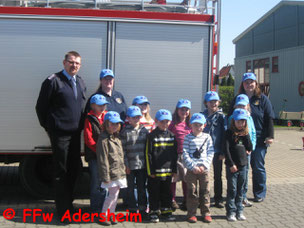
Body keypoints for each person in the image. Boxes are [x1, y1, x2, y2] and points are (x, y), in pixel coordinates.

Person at [35, 51, 86, 221]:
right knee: (61, 171)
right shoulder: (53, 81)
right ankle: (63, 211)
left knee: (74, 169)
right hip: (60, 135)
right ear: (64, 63)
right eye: (71, 62)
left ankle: (69, 204)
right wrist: (50, 128)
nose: (74, 66)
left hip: (75, 135)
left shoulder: (79, 82)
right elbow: (41, 107)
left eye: (77, 63)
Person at [228, 72, 275, 202]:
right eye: (246, 82)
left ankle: (259, 193)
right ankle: (241, 194)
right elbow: (230, 118)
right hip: (240, 141)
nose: (249, 84)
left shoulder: (263, 99)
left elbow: (269, 118)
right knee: (243, 168)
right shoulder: (237, 98)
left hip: (259, 139)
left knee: (258, 166)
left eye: (251, 82)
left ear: (256, 83)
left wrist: (270, 135)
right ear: (242, 84)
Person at [145, 109, 178, 223]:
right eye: (162, 121)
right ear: (156, 121)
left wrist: (174, 169)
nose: (165, 124)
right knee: (154, 192)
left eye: (167, 122)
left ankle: (166, 211)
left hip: (168, 171)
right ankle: (154, 212)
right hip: (155, 172)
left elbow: (174, 154)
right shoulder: (151, 136)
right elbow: (148, 154)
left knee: (166, 192)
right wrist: (150, 171)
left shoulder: (172, 136)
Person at [182, 113, 214, 223]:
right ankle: (191, 213)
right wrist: (192, 166)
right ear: (191, 125)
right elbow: (185, 153)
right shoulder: (187, 138)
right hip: (192, 170)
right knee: (192, 191)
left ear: (204, 125)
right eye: (195, 125)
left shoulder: (207, 137)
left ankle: (206, 212)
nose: (198, 127)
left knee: (205, 191)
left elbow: (210, 152)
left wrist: (204, 165)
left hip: (204, 170)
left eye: (200, 125)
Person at [96, 111, 126, 226]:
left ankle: (111, 215)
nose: (115, 126)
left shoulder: (116, 137)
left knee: (115, 195)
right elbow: (103, 160)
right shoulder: (103, 140)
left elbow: (120, 157)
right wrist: (105, 177)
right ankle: (103, 216)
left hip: (118, 172)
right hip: (111, 174)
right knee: (112, 196)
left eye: (117, 124)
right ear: (106, 124)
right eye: (112, 124)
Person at [228, 94, 256, 207]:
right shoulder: (231, 118)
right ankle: (234, 198)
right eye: (239, 105)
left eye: (243, 106)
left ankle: (243, 197)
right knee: (234, 177)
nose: (241, 107)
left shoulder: (249, 118)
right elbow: (228, 137)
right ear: (235, 107)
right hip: (235, 153)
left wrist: (251, 147)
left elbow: (253, 133)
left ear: (248, 106)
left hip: (246, 152)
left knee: (245, 175)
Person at [224, 109, 253, 222]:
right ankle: (230, 212)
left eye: (243, 121)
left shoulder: (245, 134)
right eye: (238, 121)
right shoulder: (228, 133)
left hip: (243, 166)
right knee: (232, 189)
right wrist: (231, 164)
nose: (240, 124)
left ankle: (239, 211)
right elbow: (226, 150)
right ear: (233, 121)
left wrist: (246, 136)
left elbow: (249, 148)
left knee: (240, 190)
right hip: (232, 167)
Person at [120, 106, 149, 216]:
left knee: (142, 188)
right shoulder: (124, 132)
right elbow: (122, 150)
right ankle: (132, 208)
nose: (136, 119)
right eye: (133, 117)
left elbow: (147, 149)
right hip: (130, 166)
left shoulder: (144, 130)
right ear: (128, 118)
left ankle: (142, 209)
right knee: (130, 188)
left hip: (142, 165)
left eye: (138, 117)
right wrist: (126, 165)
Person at [84, 94, 109, 213]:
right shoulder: (89, 119)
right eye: (99, 105)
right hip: (95, 156)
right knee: (96, 182)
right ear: (93, 106)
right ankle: (95, 207)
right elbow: (88, 139)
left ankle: (104, 206)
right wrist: (98, 150)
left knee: (105, 181)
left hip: (107, 156)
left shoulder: (107, 117)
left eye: (104, 105)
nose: (102, 107)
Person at [201, 91, 226, 209]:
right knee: (203, 175)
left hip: (217, 151)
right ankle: (203, 198)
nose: (213, 104)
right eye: (210, 101)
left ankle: (218, 198)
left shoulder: (222, 117)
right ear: (206, 103)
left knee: (217, 176)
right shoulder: (202, 116)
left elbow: (225, 135)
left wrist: (223, 151)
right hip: (204, 152)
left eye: (215, 101)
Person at [168, 99, 192, 211]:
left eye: (186, 109)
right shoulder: (172, 123)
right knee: (173, 178)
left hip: (187, 155)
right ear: (177, 110)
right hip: (175, 155)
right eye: (182, 109)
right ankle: (172, 200)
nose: (184, 112)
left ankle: (186, 200)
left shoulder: (191, 123)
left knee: (186, 179)